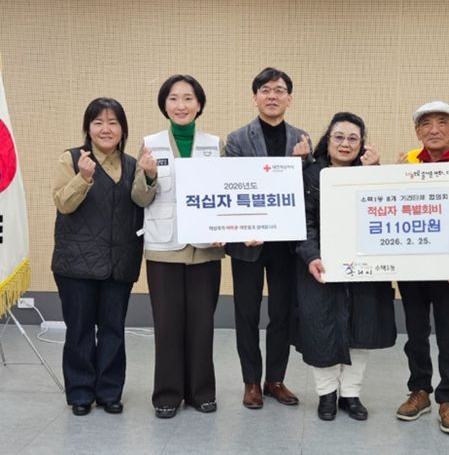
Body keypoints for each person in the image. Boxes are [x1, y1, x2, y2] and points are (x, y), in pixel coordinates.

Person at [132, 74, 224, 419]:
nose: (181, 105)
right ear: (164, 105)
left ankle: (202, 392)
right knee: (167, 324)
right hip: (163, 247)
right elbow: (139, 198)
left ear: (199, 105)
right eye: (173, 98)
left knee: (202, 323)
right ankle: (167, 394)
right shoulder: (149, 144)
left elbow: (225, 195)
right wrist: (149, 175)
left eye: (188, 98)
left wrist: (225, 229)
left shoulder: (215, 145)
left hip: (205, 248)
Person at [296, 112, 396, 421]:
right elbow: (302, 222)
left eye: (353, 138)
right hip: (319, 266)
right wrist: (311, 256)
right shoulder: (310, 174)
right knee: (321, 328)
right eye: (339, 137)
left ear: (362, 144)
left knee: (361, 329)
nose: (345, 144)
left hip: (364, 267)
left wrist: (375, 172)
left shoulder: (370, 174)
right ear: (327, 140)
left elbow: (388, 214)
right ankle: (326, 394)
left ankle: (351, 393)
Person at [225, 67, 312, 409]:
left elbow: (308, 191)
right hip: (248, 242)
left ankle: (275, 379)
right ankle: (251, 382)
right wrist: (241, 229)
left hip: (286, 245)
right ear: (255, 98)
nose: (272, 96)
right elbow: (230, 188)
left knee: (282, 313)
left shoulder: (302, 139)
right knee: (246, 313)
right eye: (265, 90)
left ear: (290, 98)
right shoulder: (237, 139)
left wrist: (302, 163)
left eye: (279, 90)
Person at [395, 101, 449, 435]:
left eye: (442, 122)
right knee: (415, 332)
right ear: (417, 131)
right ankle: (419, 390)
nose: (434, 130)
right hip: (412, 265)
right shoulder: (405, 163)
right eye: (426, 124)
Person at [51, 97, 143, 416]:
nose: (106, 129)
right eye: (98, 122)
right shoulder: (71, 159)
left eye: (113, 122)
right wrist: (83, 178)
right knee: (79, 330)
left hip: (120, 263)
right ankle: (80, 392)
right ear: (88, 128)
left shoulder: (133, 164)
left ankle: (109, 392)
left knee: (113, 330)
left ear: (123, 129)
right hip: (75, 264)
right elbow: (63, 203)